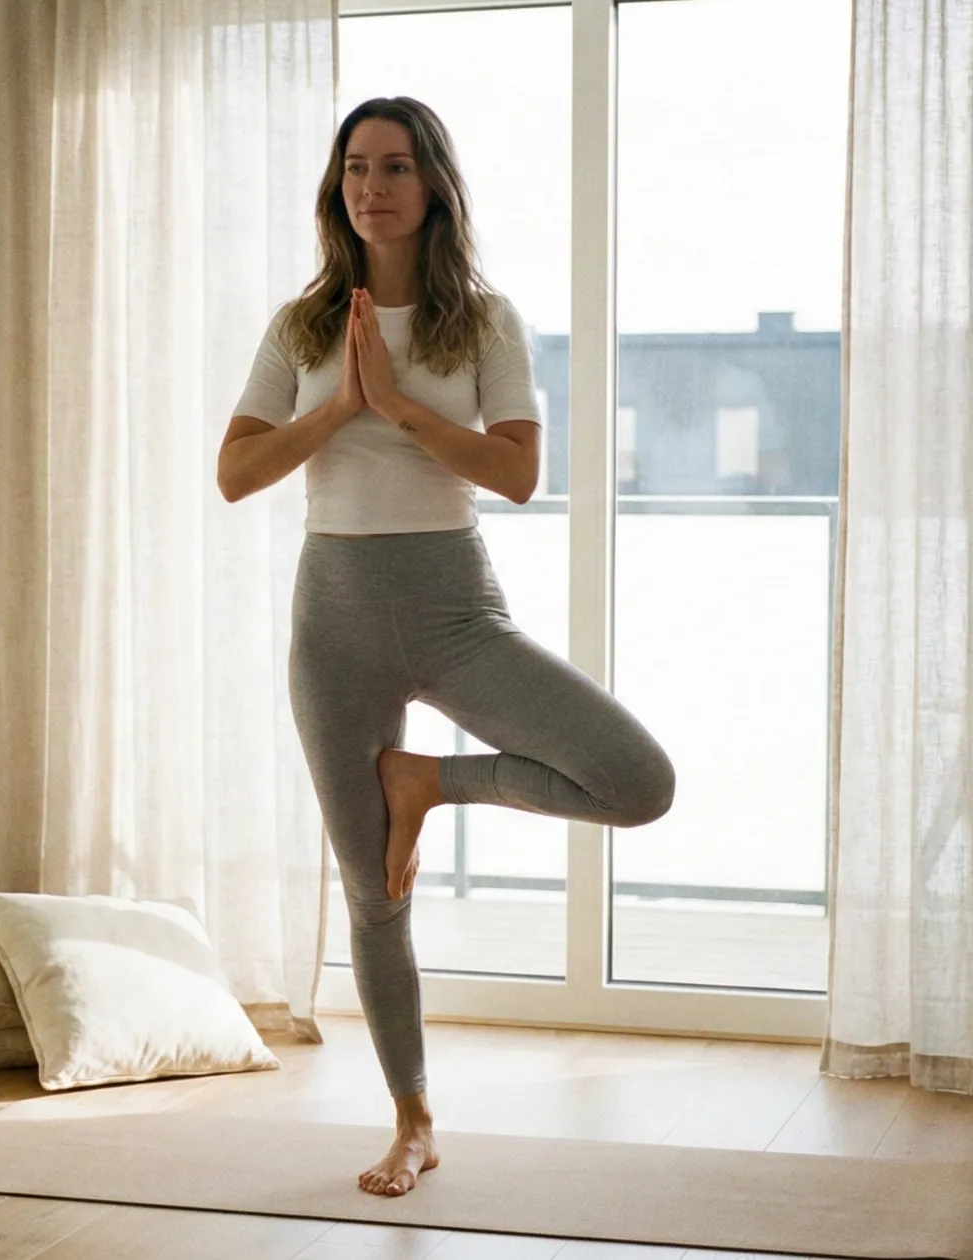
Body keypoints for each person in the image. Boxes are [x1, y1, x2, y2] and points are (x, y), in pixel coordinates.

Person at [215, 96, 677, 1198]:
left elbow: (517, 475)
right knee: (374, 893)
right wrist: (339, 409)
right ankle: (411, 1123)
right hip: (331, 617)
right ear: (338, 188)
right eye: (354, 167)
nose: (370, 185)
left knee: (633, 781)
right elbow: (235, 473)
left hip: (452, 605)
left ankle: (429, 780)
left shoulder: (482, 322)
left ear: (432, 185)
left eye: (394, 166)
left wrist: (402, 410)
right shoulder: (302, 324)